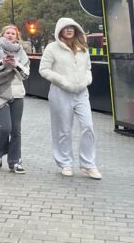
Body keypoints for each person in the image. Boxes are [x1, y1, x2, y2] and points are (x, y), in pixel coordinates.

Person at [39, 18, 101, 179]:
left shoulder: (82, 48)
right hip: (60, 92)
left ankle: (88, 165)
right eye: (65, 28)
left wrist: (86, 80)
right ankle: (65, 163)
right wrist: (62, 81)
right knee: (63, 130)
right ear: (59, 30)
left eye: (71, 28)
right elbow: (44, 70)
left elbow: (88, 68)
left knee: (88, 126)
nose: (68, 30)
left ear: (76, 29)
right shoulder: (52, 48)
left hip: (81, 92)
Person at [0, 25, 30, 174]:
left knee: (16, 130)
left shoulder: (21, 53)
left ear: (17, 36)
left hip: (17, 94)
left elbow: (26, 75)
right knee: (6, 128)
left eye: (13, 33)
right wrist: (2, 63)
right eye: (7, 33)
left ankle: (15, 161)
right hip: (1, 93)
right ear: (2, 35)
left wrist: (15, 64)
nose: (10, 35)